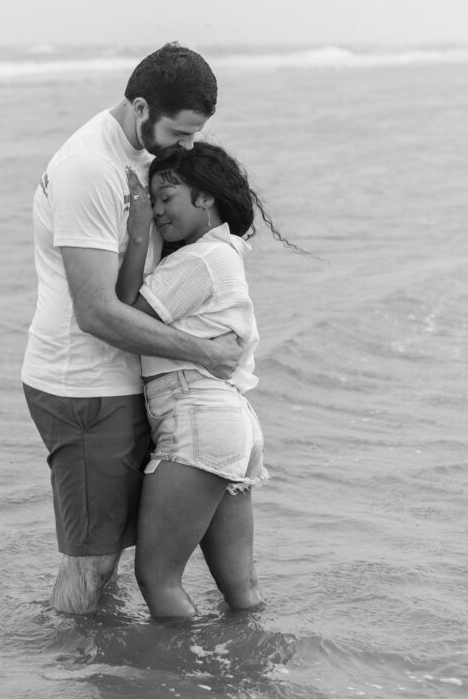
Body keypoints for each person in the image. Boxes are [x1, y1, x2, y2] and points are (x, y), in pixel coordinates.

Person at [21, 43, 244, 615]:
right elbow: (95, 313)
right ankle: (64, 667)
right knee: (91, 560)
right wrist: (208, 353)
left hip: (126, 380)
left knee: (111, 553)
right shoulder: (91, 170)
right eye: (179, 133)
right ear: (141, 107)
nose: (188, 147)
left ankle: (108, 666)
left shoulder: (142, 159)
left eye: (196, 135)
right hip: (86, 383)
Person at [117, 141, 300, 618]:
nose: (156, 211)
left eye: (166, 197)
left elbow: (125, 320)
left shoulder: (198, 260)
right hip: (228, 419)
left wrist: (137, 236)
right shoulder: (224, 255)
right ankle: (248, 679)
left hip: (197, 417)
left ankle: (175, 685)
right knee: (242, 590)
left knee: (156, 577)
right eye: (152, 201)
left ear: (205, 198)